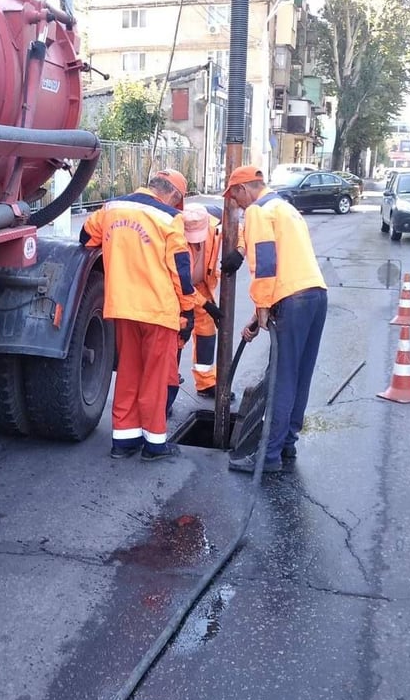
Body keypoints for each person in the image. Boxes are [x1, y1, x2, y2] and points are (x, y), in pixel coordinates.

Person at [80, 169, 197, 461]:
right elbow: (181, 271)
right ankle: (155, 443)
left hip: (123, 307)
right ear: (174, 195)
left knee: (129, 372)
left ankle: (124, 440)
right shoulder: (170, 219)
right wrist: (188, 309)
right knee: (156, 378)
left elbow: (85, 237)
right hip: (158, 310)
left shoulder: (111, 208)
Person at [220, 165, 328, 473]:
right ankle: (286, 445)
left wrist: (263, 307)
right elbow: (287, 265)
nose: (236, 204)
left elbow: (266, 265)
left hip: (291, 301)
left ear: (244, 189)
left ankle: (267, 457)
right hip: (315, 296)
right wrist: (258, 315)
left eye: (235, 197)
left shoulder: (258, 212)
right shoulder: (286, 209)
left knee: (282, 379)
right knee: (299, 375)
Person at [177, 203, 225, 400]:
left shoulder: (216, 230)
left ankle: (205, 383)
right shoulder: (175, 236)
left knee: (206, 335)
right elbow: (182, 283)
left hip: (201, 287)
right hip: (179, 291)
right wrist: (206, 304)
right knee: (177, 338)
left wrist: (239, 251)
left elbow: (240, 231)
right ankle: (166, 389)